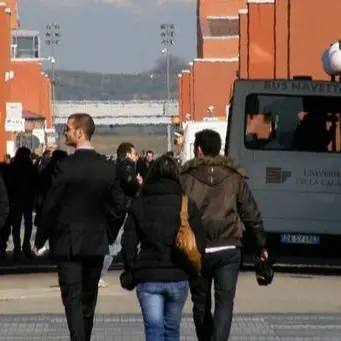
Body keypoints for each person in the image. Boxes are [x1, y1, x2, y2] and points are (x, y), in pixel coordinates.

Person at [32, 113, 126, 341]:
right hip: (95, 242)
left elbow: (51, 204)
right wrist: (108, 234)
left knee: (72, 300)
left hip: (68, 243)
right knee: (88, 301)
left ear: (80, 132)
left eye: (68, 128)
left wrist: (40, 238)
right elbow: (118, 206)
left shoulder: (64, 167)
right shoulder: (107, 168)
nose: (64, 132)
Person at [180, 129, 268, 341]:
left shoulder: (185, 178)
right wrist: (261, 245)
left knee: (200, 303)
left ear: (199, 150)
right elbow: (251, 213)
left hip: (196, 248)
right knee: (225, 302)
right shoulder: (234, 177)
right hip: (228, 247)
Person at [121, 155, 206, 341]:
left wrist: (131, 269)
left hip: (148, 276)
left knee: (154, 330)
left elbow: (128, 243)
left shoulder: (139, 204)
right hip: (178, 275)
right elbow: (200, 240)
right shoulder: (186, 204)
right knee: (172, 329)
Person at [98, 142, 142, 288]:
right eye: (135, 153)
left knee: (113, 243)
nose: (136, 157)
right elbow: (129, 184)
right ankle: (99, 274)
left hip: (117, 209)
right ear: (128, 154)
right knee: (114, 245)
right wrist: (138, 182)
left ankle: (98, 274)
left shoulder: (116, 166)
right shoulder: (127, 166)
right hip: (121, 210)